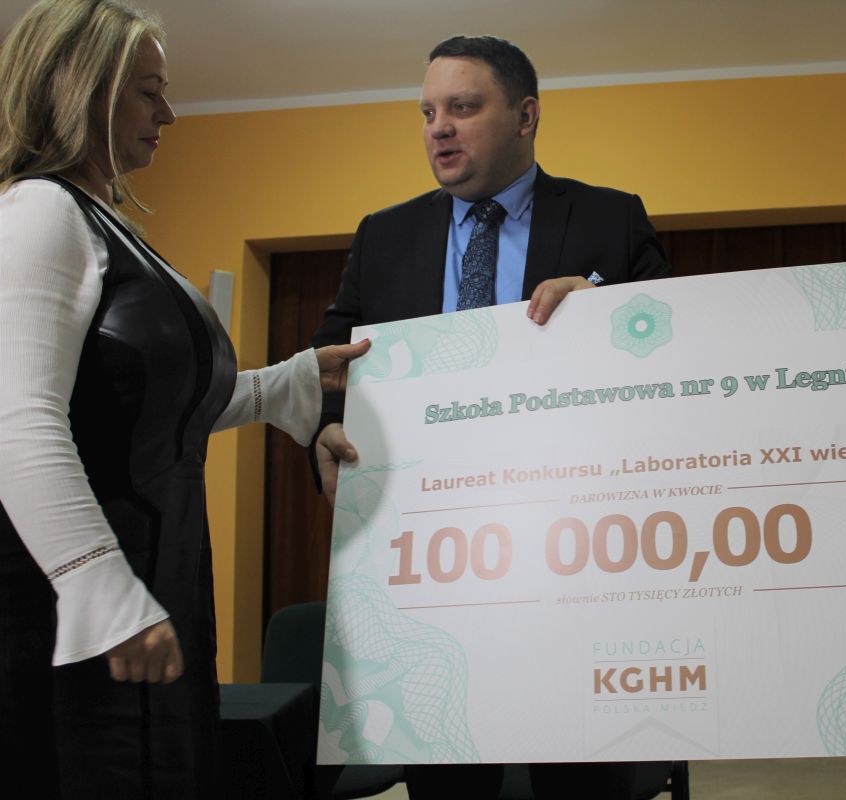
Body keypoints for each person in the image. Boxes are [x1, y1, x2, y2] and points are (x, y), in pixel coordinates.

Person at [0, 1, 368, 797]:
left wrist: (290, 380)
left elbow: (146, 403)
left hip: (160, 580)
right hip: (74, 616)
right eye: (149, 92)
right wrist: (100, 589)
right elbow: (17, 420)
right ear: (79, 90)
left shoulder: (105, 223)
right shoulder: (40, 211)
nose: (168, 115)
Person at [310, 34, 669, 800]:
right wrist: (324, 430)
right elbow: (331, 363)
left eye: (464, 108)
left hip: (575, 553)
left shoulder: (609, 218)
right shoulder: (384, 235)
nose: (439, 128)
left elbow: (668, 349)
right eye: (427, 112)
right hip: (429, 558)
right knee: (448, 776)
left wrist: (610, 312)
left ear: (526, 115)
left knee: (578, 774)